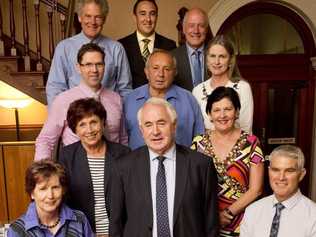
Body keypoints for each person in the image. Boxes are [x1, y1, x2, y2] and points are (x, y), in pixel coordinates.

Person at [110, 97, 218, 237]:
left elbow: (211, 223)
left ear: (174, 125)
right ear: (142, 131)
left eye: (161, 123)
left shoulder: (201, 165)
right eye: (148, 125)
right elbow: (116, 223)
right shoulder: (122, 167)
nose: (155, 131)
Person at [191, 87, 264, 237]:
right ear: (209, 115)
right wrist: (212, 216)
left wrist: (227, 214)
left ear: (237, 112)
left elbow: (256, 189)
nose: (222, 115)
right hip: (204, 222)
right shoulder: (198, 143)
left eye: (228, 109)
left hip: (241, 224)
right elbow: (191, 185)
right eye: (216, 110)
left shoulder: (251, 143)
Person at [35, 43, 127, 161]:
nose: (94, 70)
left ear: (104, 66)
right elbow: (46, 140)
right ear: (78, 67)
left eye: (99, 64)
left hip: (114, 169)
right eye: (88, 64)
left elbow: (123, 138)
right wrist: (43, 173)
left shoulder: (116, 99)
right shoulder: (63, 100)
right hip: (77, 170)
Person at [59, 98, 130, 236]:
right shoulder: (67, 156)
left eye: (93, 122)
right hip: (82, 232)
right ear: (75, 130)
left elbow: (130, 199)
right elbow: (64, 200)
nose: (89, 130)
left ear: (103, 123)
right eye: (82, 124)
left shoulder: (123, 153)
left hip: (118, 232)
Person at [46, 0, 132, 105]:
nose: (93, 22)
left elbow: (125, 90)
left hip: (109, 116)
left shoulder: (116, 49)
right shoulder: (64, 48)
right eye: (88, 16)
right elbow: (55, 88)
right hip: (74, 116)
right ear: (79, 17)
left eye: (98, 17)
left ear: (104, 19)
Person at [124, 49, 205, 150]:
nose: (161, 74)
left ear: (175, 72)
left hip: (182, 164)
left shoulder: (188, 99)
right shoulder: (129, 100)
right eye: (155, 68)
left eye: (166, 69)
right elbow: (122, 138)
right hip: (137, 164)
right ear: (146, 72)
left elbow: (200, 138)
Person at [240, 145, 316, 237]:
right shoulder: (252, 211)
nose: (281, 177)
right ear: (268, 171)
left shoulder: (313, 216)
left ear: (301, 174)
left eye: (289, 171)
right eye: (275, 170)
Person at [7, 159, 94, 237]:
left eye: (55, 187)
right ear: (32, 193)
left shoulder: (80, 220)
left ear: (63, 190)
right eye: (43, 189)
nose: (50, 195)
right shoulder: (17, 230)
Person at [192, 35, 253, 133]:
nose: (216, 62)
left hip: (237, 146)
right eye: (212, 56)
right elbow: (197, 129)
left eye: (222, 56)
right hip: (205, 147)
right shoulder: (197, 90)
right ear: (206, 60)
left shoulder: (242, 87)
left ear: (230, 60)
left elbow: (246, 129)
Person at [119, 0, 176, 88]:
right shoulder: (121, 45)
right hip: (133, 99)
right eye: (143, 14)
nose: (148, 19)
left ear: (157, 17)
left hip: (162, 100)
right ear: (135, 17)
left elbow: (172, 78)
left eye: (152, 14)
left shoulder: (169, 45)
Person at [172, 7, 209, 91]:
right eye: (191, 25)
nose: (196, 31)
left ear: (206, 29)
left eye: (201, 26)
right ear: (184, 29)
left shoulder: (217, 55)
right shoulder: (171, 57)